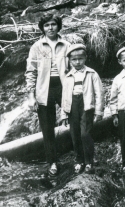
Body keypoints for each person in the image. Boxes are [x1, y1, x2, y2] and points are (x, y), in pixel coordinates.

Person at [25, 14, 70, 176]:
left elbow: (73, 69)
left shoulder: (66, 45)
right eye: (46, 25)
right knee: (47, 127)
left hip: (63, 86)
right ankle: (52, 162)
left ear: (58, 26)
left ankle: (81, 157)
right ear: (42, 28)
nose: (50, 28)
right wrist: (31, 96)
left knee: (76, 118)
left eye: (53, 24)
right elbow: (31, 72)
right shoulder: (36, 47)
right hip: (44, 88)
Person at [61, 44, 104, 174]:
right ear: (70, 60)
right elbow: (65, 96)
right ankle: (79, 160)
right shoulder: (68, 76)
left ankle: (89, 161)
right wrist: (63, 114)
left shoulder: (92, 73)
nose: (77, 62)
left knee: (85, 134)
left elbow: (99, 93)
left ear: (85, 58)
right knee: (75, 135)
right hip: (73, 106)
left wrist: (99, 111)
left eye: (80, 58)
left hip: (86, 105)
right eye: (74, 59)